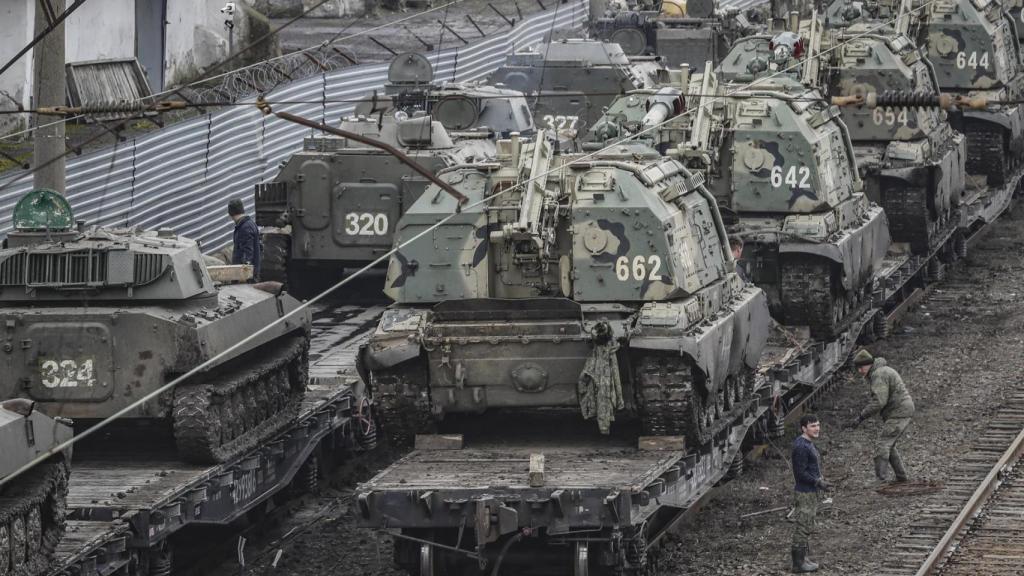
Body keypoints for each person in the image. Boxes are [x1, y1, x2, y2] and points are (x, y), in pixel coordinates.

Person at [851, 349, 914, 483]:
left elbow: (879, 402)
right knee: (889, 445)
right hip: (901, 409)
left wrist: (861, 416)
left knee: (882, 444)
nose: (859, 371)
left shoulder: (878, 374)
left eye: (861, 367)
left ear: (868, 364)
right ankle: (902, 477)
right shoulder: (881, 371)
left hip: (899, 411)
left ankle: (881, 480)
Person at [791, 413, 827, 573]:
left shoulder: (808, 443)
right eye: (812, 426)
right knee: (803, 526)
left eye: (818, 425)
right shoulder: (801, 446)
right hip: (805, 493)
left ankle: (803, 558)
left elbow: (810, 469)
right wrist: (816, 481)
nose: (817, 428)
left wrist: (820, 481)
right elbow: (799, 473)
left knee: (807, 524)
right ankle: (798, 564)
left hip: (811, 491)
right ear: (804, 428)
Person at [228, 198, 261, 281]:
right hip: (248, 274)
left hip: (245, 277)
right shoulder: (249, 224)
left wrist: (244, 276)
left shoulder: (245, 227)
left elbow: (248, 253)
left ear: (230, 213)